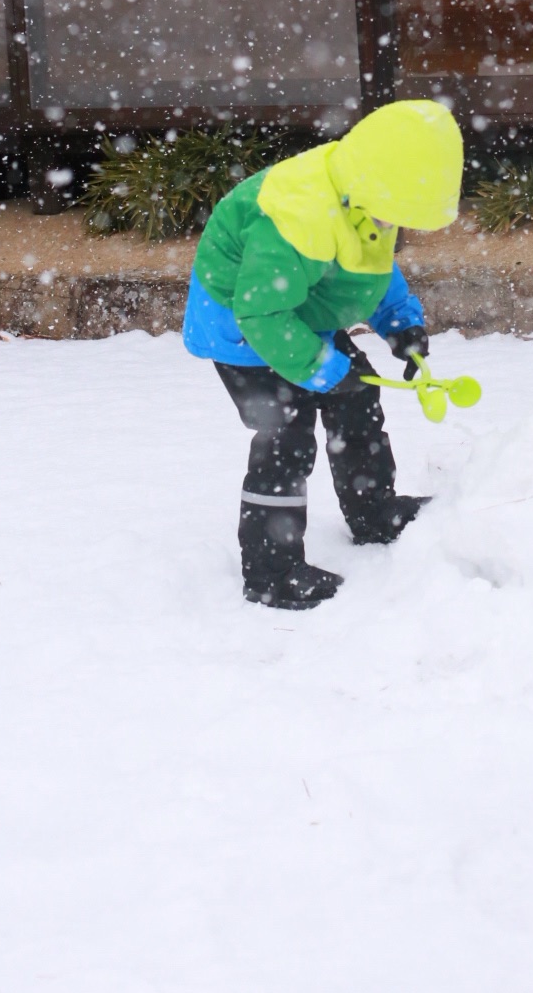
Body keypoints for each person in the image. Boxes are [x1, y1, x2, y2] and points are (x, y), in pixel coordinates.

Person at [182, 99, 463, 610]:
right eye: (393, 213)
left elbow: (367, 265)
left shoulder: (367, 192)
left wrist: (401, 324)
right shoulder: (299, 213)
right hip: (243, 325)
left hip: (301, 309)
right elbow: (261, 312)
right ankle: (271, 572)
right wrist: (321, 369)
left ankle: (374, 512)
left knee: (359, 403)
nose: (395, 223)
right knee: (285, 435)